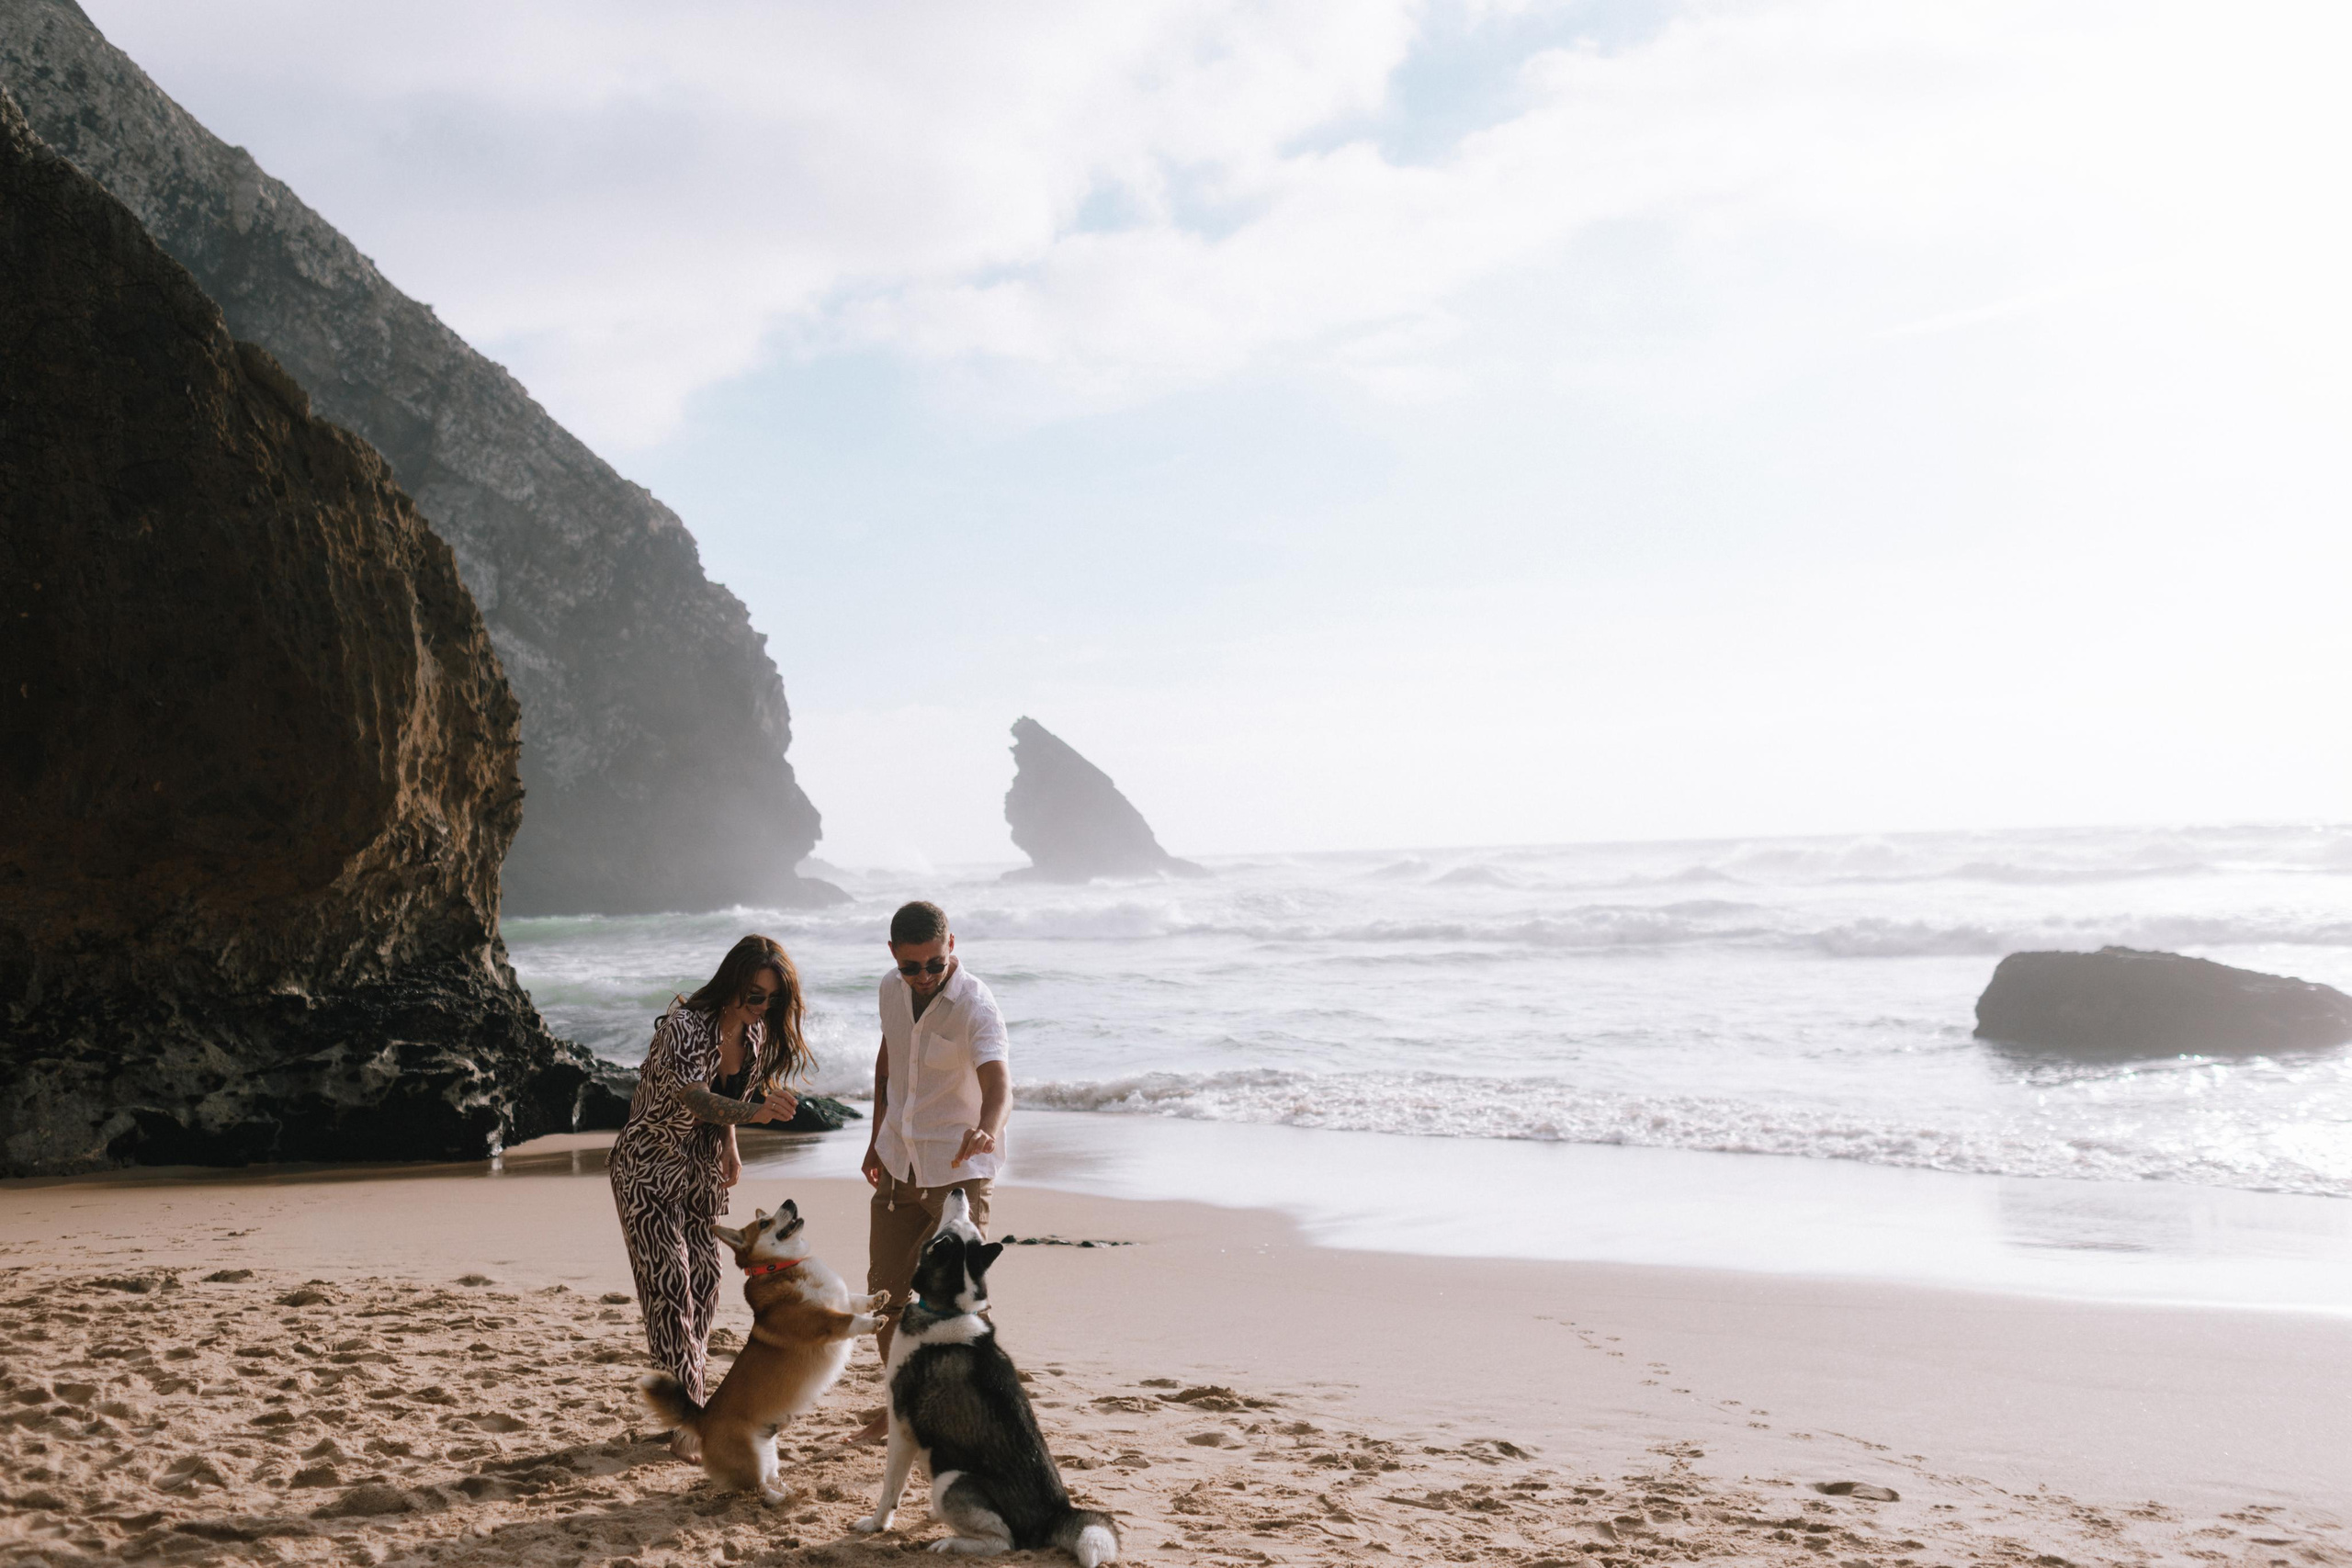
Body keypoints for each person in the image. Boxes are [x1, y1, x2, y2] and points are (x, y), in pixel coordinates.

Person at [608, 934, 808, 1442]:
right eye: (755, 995)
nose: (763, 1008)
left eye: (772, 1000)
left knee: (704, 1285)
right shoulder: (684, 1029)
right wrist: (754, 1112)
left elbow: (726, 1103)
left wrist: (732, 1143)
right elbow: (694, 1097)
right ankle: (690, 1426)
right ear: (731, 983)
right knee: (671, 1289)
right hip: (647, 1169)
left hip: (698, 1175)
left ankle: (683, 1409)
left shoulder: (754, 1038)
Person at [851, 900, 1011, 1439]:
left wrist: (988, 1126)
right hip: (898, 1160)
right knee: (886, 1295)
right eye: (911, 966)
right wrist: (876, 1138)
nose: (923, 976)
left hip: (958, 1170)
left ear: (951, 948)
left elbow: (998, 1082)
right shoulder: (888, 990)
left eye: (935, 964)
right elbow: (889, 1059)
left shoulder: (976, 1005)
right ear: (893, 954)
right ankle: (904, 1405)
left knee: (958, 1299)